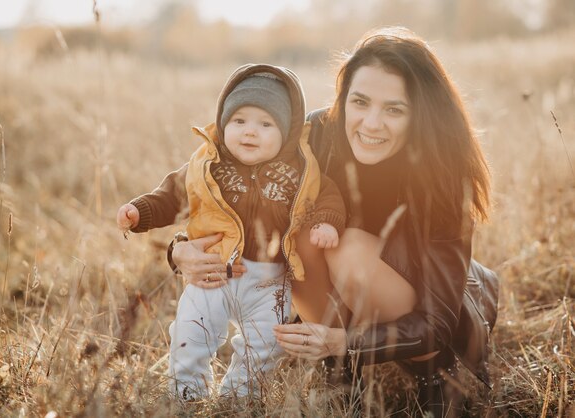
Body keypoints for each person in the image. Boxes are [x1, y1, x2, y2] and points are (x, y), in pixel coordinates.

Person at [168, 27, 499, 417]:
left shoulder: (443, 172)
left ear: (421, 114)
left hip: (423, 304)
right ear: (343, 99)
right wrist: (180, 251)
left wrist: (344, 340)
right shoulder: (316, 136)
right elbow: (230, 192)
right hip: (339, 292)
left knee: (349, 248)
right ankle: (342, 373)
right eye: (360, 102)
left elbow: (437, 321)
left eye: (394, 109)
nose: (371, 124)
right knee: (307, 234)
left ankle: (432, 372)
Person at [117, 63, 345, 399]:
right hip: (214, 272)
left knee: (266, 342)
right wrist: (140, 212)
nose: (249, 132)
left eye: (265, 124)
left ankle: (240, 396)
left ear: (288, 131)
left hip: (271, 281)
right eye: (239, 121)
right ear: (223, 123)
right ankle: (187, 390)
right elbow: (174, 193)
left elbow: (328, 195)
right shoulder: (208, 165)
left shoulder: (301, 170)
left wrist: (326, 220)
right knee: (191, 330)